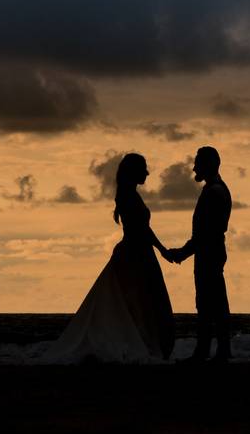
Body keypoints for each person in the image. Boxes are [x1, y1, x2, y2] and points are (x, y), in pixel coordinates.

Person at [48, 153, 175, 363]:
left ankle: (149, 344)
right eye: (143, 169)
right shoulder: (128, 195)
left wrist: (161, 250)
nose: (147, 172)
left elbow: (144, 229)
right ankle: (144, 345)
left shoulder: (130, 194)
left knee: (143, 303)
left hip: (139, 252)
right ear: (133, 171)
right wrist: (162, 249)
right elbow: (141, 229)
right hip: (135, 255)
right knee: (139, 303)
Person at [167, 146, 232, 364]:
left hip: (209, 254)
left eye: (198, 163)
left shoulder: (214, 192)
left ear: (208, 165)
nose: (194, 167)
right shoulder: (217, 189)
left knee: (208, 304)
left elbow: (206, 233)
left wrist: (183, 253)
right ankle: (216, 350)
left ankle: (208, 352)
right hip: (210, 252)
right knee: (212, 303)